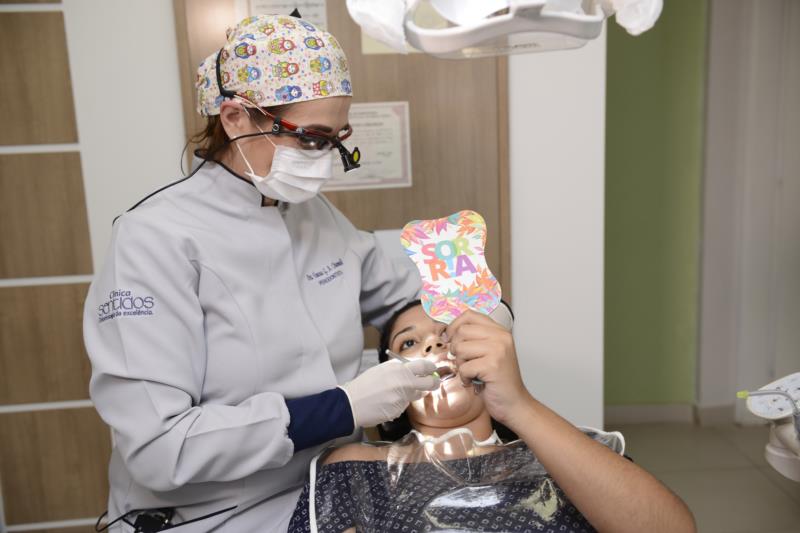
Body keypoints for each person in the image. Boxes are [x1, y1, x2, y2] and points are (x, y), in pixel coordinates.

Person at [83, 14, 441, 532]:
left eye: (336, 138)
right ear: (235, 118)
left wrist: (467, 319)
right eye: (311, 138)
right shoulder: (153, 241)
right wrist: (342, 408)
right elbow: (160, 447)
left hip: (331, 486)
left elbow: (400, 299)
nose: (325, 159)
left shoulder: (311, 213)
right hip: (215, 514)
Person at [289, 301, 697, 533]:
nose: (433, 345)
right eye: (409, 342)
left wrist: (518, 405)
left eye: (450, 334)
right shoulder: (354, 468)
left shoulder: (562, 452)